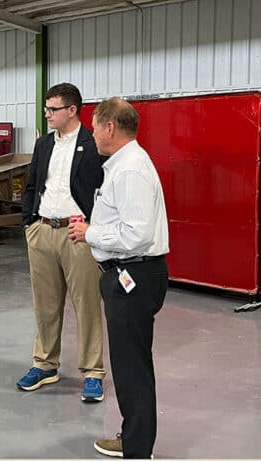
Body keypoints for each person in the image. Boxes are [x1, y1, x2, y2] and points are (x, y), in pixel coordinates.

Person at [68, 98, 169, 459]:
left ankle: (138, 449)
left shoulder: (130, 170)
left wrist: (90, 233)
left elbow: (137, 234)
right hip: (129, 273)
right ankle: (132, 436)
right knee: (128, 365)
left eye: (94, 126)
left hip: (134, 274)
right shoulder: (122, 165)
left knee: (132, 367)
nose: (91, 134)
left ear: (110, 127)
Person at [17, 82, 107, 402]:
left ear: (72, 110)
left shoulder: (93, 144)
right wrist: (29, 223)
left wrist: (94, 226)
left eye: (53, 109)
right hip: (42, 230)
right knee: (45, 304)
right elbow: (32, 184)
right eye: (46, 109)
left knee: (87, 305)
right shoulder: (43, 144)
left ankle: (93, 372)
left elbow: (107, 190)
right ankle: (45, 364)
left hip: (77, 234)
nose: (48, 114)